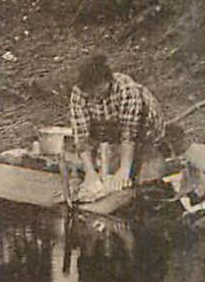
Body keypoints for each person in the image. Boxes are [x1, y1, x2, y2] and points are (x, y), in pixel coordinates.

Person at [68, 54, 169, 199]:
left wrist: (124, 170)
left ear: (107, 81)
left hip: (145, 133)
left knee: (144, 179)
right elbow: (81, 136)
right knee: (101, 175)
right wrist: (90, 173)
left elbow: (129, 133)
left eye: (98, 90)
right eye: (91, 92)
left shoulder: (127, 89)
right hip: (109, 131)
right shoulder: (79, 93)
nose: (95, 95)